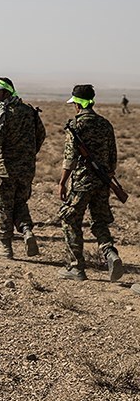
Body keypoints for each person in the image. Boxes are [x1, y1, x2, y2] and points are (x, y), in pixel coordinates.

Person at [0, 77, 46, 259]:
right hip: (27, 169)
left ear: (7, 93)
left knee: (2, 206)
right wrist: (28, 154)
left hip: (6, 169)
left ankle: (5, 248)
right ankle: (27, 231)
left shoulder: (3, 113)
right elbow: (41, 135)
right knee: (20, 203)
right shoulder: (29, 111)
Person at [57, 85, 124, 282]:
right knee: (100, 222)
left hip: (82, 183)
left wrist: (62, 182)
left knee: (70, 219)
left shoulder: (76, 125)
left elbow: (69, 158)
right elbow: (113, 157)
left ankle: (76, 267)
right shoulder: (105, 124)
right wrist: (106, 177)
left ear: (77, 104)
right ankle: (111, 253)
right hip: (102, 182)